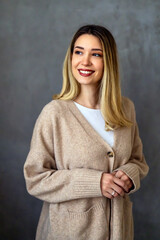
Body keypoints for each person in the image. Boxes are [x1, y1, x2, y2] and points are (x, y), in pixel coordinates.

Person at [24, 25, 149, 240]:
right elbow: (35, 179)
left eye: (96, 54)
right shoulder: (54, 114)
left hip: (120, 230)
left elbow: (138, 161)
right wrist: (95, 182)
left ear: (108, 61)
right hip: (69, 232)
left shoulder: (125, 109)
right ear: (70, 57)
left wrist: (129, 173)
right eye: (79, 52)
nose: (85, 61)